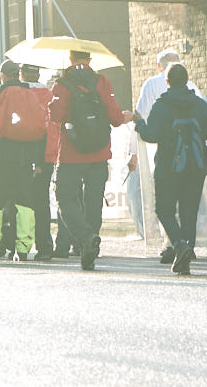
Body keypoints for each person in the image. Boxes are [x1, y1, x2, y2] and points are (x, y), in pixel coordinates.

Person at [49, 50, 132, 271]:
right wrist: (128, 115)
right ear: (90, 60)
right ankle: (92, 242)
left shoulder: (62, 84)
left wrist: (53, 105)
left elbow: (56, 117)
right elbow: (115, 119)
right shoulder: (102, 82)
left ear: (70, 60)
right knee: (94, 200)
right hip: (99, 153)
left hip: (70, 154)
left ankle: (86, 238)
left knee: (65, 198)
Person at [136, 63, 207, 275]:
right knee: (189, 210)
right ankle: (187, 247)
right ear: (187, 80)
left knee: (164, 209)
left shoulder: (161, 105)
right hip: (196, 166)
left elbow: (151, 134)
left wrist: (139, 124)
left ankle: (179, 245)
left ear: (167, 82)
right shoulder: (199, 104)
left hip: (168, 166)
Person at [0, 60, 46, 261]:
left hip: (1, 161)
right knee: (25, 204)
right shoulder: (30, 95)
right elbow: (41, 131)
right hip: (25, 162)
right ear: (18, 74)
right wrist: (38, 163)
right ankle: (23, 249)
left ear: (2, 75)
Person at [21, 63, 57, 258]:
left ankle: (23, 247)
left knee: (23, 203)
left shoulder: (21, 96)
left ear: (22, 74)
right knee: (42, 203)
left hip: (25, 159)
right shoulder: (49, 96)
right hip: (48, 156)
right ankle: (45, 246)